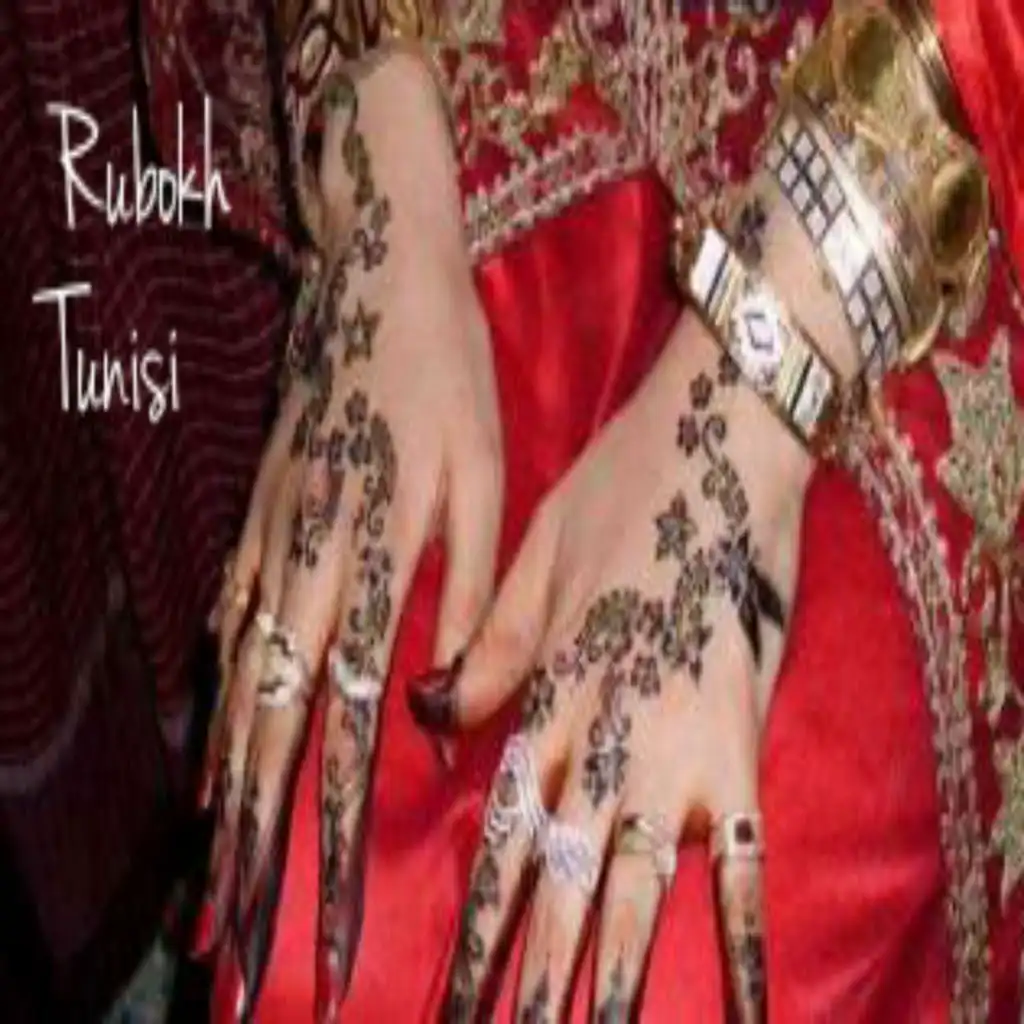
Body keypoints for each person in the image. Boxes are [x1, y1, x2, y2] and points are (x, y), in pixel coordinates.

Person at [164, 0, 1024, 1019]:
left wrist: (767, 362)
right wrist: (378, 159)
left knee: (669, 960)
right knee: (330, 825)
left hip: (949, 135)